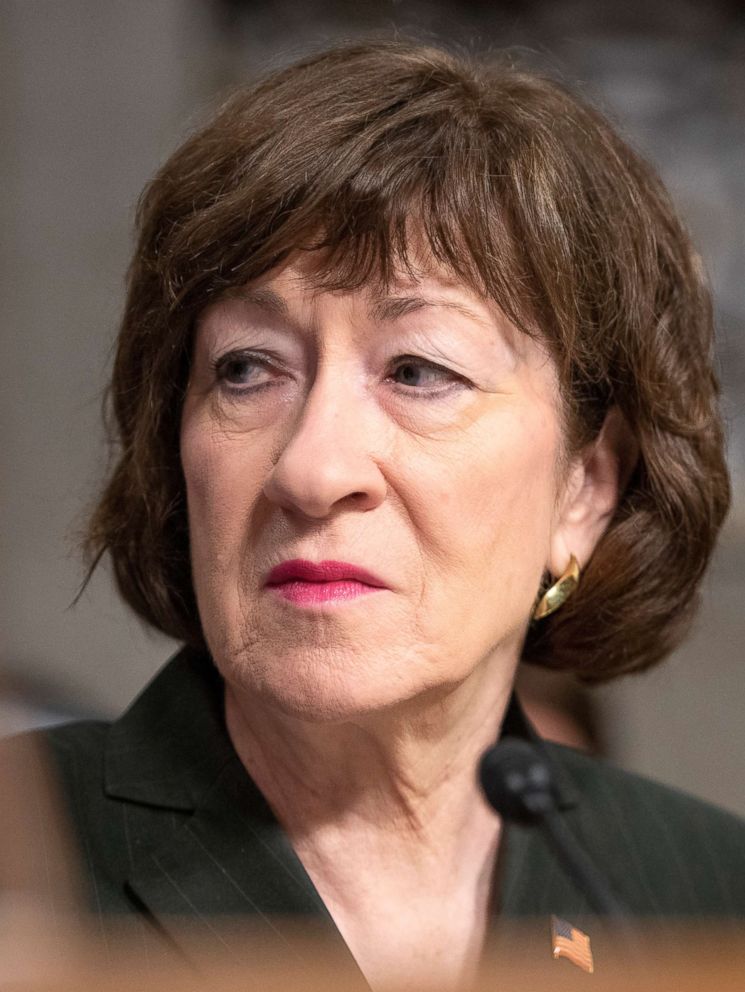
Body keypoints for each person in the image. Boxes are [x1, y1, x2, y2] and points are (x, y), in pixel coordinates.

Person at [30, 39, 745, 991]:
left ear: (584, 487)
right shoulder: (25, 858)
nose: (312, 469)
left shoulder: (705, 894)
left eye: (418, 371)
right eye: (247, 368)